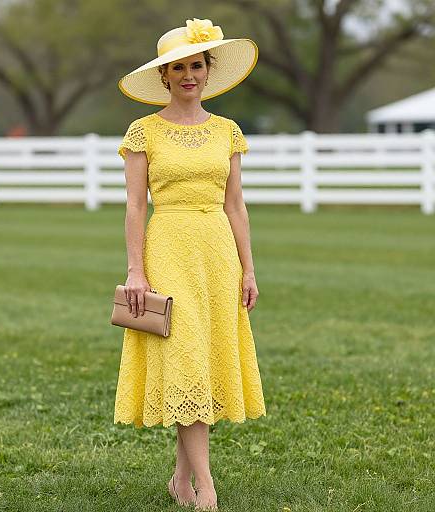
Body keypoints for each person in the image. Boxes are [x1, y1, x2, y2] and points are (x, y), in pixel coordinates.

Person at [113, 18, 266, 511]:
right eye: (177, 67)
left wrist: (248, 268)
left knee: (205, 361)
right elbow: (136, 206)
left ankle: (181, 480)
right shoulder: (144, 132)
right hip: (168, 246)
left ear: (207, 70)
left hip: (217, 253)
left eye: (195, 65)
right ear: (164, 76)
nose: (188, 75)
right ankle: (207, 489)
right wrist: (136, 270)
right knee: (185, 360)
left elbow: (236, 204)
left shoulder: (228, 131)